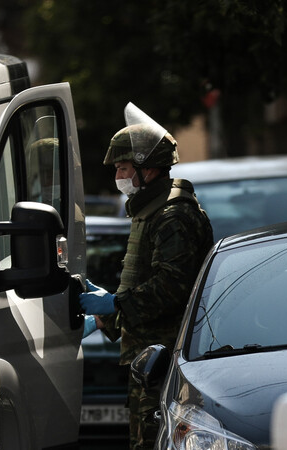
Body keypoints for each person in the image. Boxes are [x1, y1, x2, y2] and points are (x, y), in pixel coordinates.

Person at [80, 103, 214, 449]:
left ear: (148, 169)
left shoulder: (173, 216)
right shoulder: (151, 211)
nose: (118, 176)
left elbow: (172, 287)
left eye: (123, 167)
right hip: (149, 359)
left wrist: (115, 302)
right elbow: (144, 281)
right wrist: (104, 316)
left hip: (166, 362)